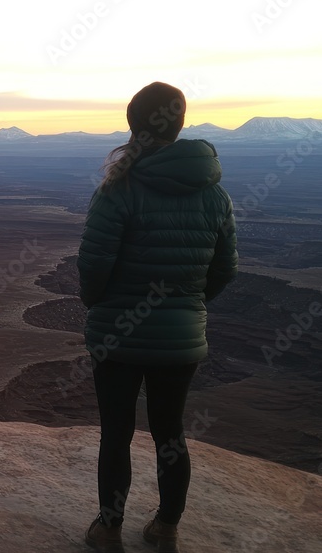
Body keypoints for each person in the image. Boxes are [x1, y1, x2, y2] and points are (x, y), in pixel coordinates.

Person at [77, 82, 238, 553]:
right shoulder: (215, 194)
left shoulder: (118, 188)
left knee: (116, 433)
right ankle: (166, 527)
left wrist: (100, 305)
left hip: (117, 336)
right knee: (171, 431)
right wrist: (188, 304)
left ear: (132, 126)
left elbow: (93, 265)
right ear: (180, 123)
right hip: (180, 338)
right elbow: (225, 268)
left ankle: (108, 528)